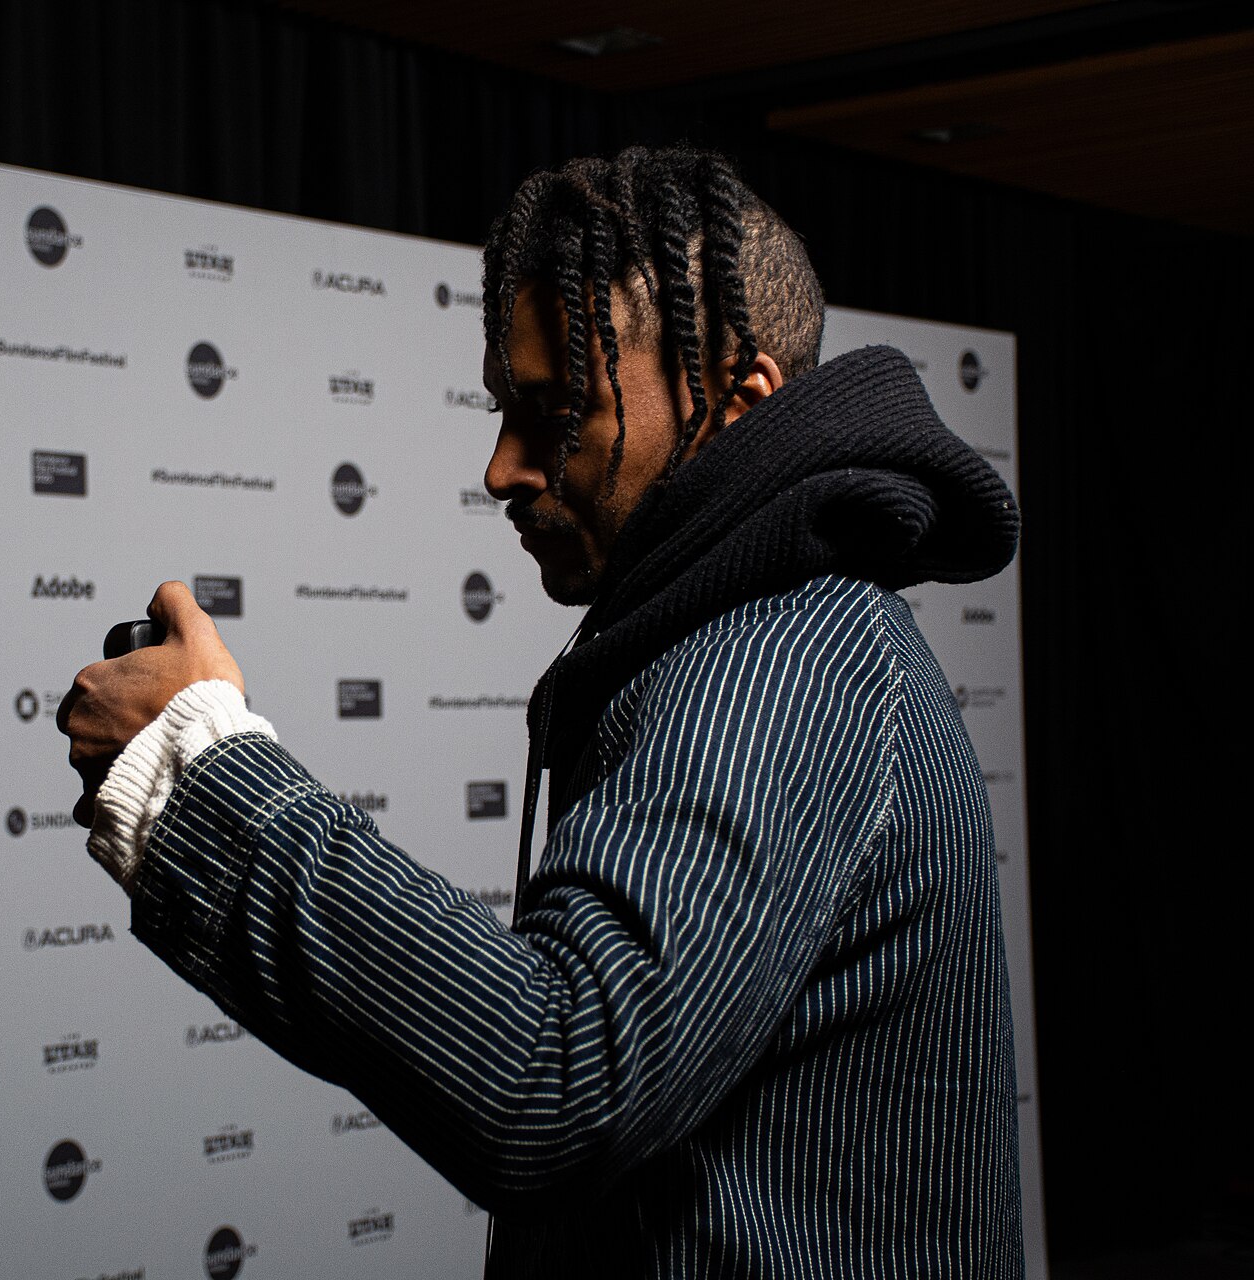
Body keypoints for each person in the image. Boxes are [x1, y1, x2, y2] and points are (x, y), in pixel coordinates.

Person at [59, 145, 1023, 1277]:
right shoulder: (760, 631)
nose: (502, 465)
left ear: (737, 397)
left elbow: (558, 1067)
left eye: (557, 409)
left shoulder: (791, 651)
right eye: (506, 409)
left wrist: (196, 769)